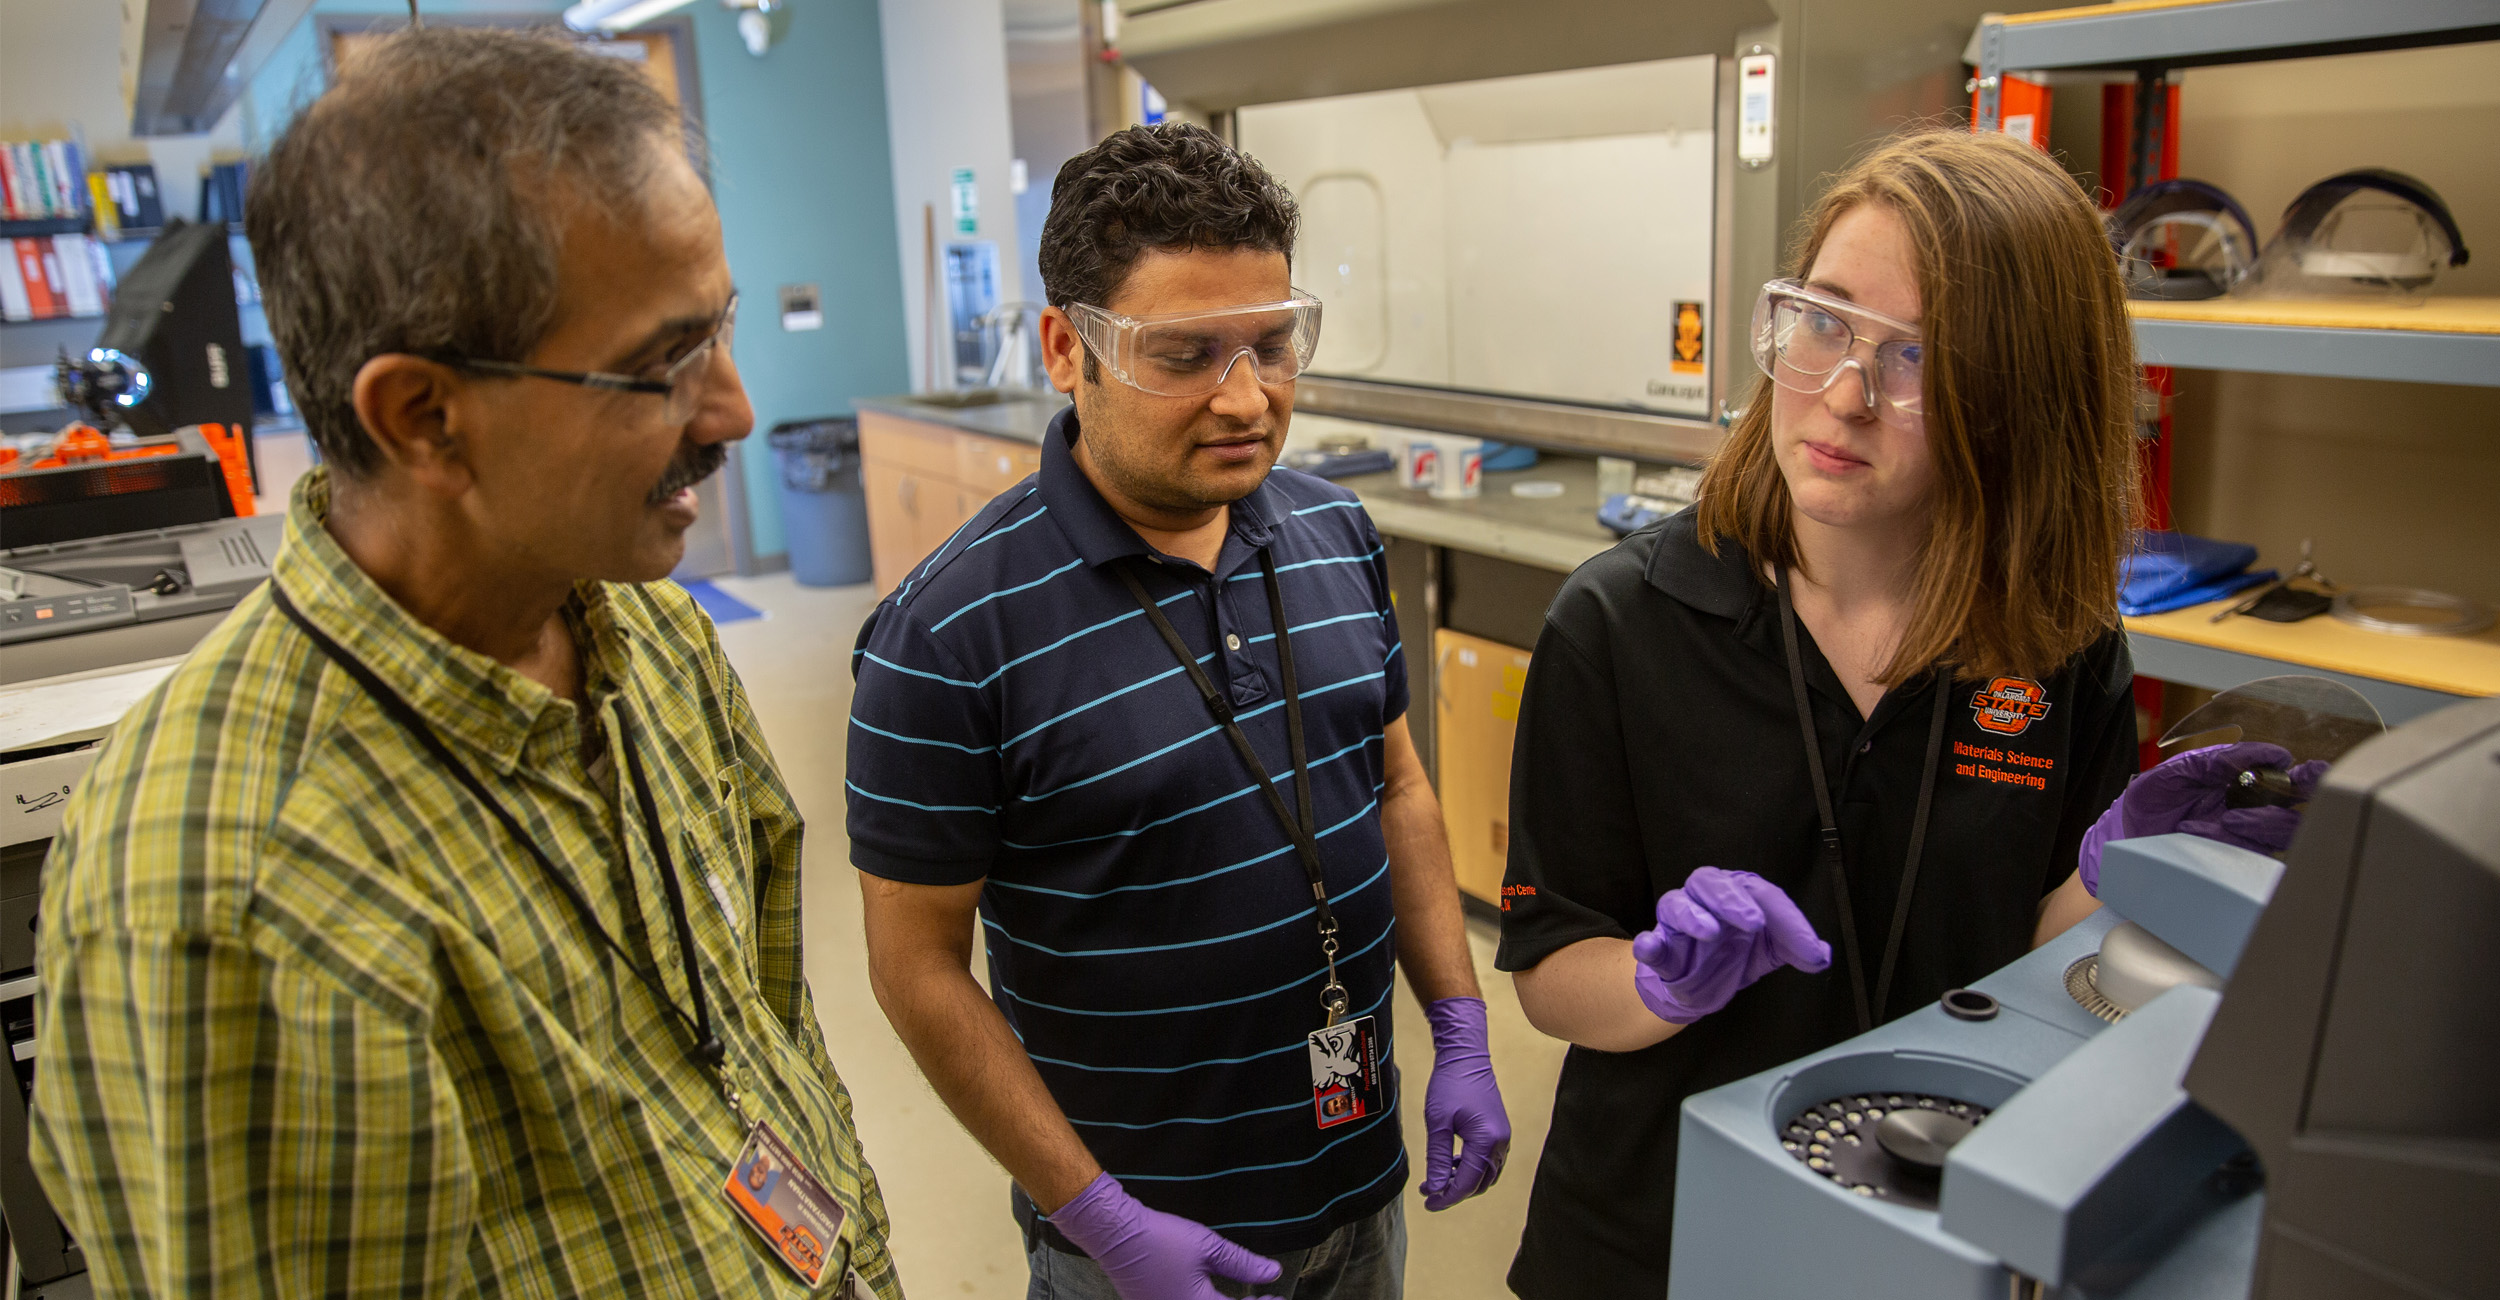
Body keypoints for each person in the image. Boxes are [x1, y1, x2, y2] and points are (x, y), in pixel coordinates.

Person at [30, 28, 899, 1299]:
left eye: (718, 326)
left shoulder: (645, 636)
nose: (733, 412)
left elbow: (761, 1028)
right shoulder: (238, 893)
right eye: (663, 366)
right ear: (424, 416)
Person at [1493, 130, 2302, 1298]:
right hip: (1654, 1232)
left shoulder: (2056, 638)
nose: (1844, 394)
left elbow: (2042, 941)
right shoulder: (1619, 623)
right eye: (1822, 320)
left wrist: (2130, 865)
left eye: (1918, 356)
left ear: (2023, 398)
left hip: (1940, 1215)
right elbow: (1551, 969)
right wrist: (1659, 981)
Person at [849, 122, 1509, 1300]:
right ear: (1067, 348)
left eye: (1271, 342)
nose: (1246, 396)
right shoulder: (948, 633)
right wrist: (1094, 1213)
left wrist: (1456, 1022)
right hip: (1135, 1235)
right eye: (1185, 353)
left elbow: (1396, 784)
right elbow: (916, 968)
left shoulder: (1335, 532)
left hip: (1356, 1181)